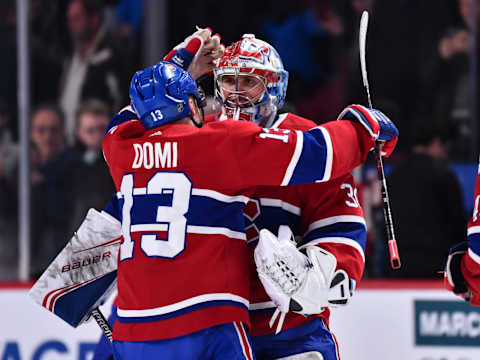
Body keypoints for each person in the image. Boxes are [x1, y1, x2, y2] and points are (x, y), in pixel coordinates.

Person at [102, 58, 396, 360]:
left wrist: (324, 274)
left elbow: (340, 224)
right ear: (195, 103)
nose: (238, 92)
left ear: (274, 86)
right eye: (230, 81)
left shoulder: (120, 148)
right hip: (210, 318)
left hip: (145, 324)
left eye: (249, 82)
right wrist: (363, 129)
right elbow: (318, 154)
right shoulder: (219, 139)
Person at [385, 124, 466, 278]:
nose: (445, 155)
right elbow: (458, 225)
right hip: (437, 265)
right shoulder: (444, 175)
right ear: (436, 143)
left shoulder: (393, 178)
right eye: (445, 149)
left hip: (399, 266)